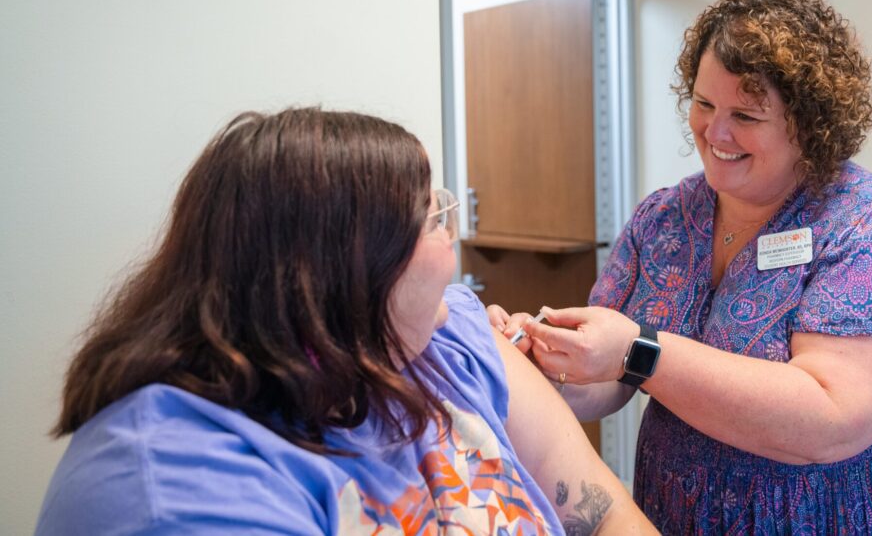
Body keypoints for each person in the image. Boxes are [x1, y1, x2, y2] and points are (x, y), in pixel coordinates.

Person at [36, 108, 657, 535]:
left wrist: (635, 359)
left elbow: (602, 514)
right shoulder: (174, 484)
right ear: (345, 273)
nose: (451, 239)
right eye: (432, 216)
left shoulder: (447, 336)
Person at [494, 0, 872, 533]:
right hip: (679, 511)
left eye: (745, 116)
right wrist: (541, 363)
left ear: (808, 124)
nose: (714, 132)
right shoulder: (665, 220)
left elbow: (831, 421)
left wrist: (639, 351)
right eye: (702, 103)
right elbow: (609, 378)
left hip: (840, 513)